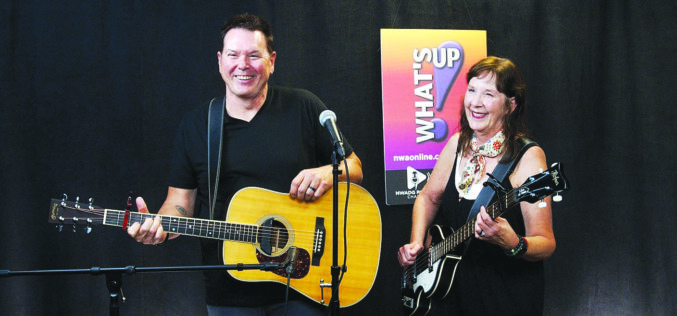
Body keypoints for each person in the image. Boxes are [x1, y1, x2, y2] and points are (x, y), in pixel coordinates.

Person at [127, 13, 363, 316]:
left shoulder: (304, 107)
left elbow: (354, 167)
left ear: (272, 61)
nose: (243, 64)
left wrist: (328, 174)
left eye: (254, 55)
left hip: (303, 283)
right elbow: (179, 204)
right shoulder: (197, 126)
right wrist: (158, 227)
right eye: (233, 55)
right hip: (229, 292)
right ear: (219, 60)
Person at [397, 56, 556, 315]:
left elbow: (546, 243)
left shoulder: (528, 157)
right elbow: (428, 198)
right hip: (448, 294)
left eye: (489, 94)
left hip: (503, 297)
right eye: (472, 90)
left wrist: (513, 242)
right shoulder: (457, 144)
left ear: (510, 105)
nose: (476, 103)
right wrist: (416, 246)